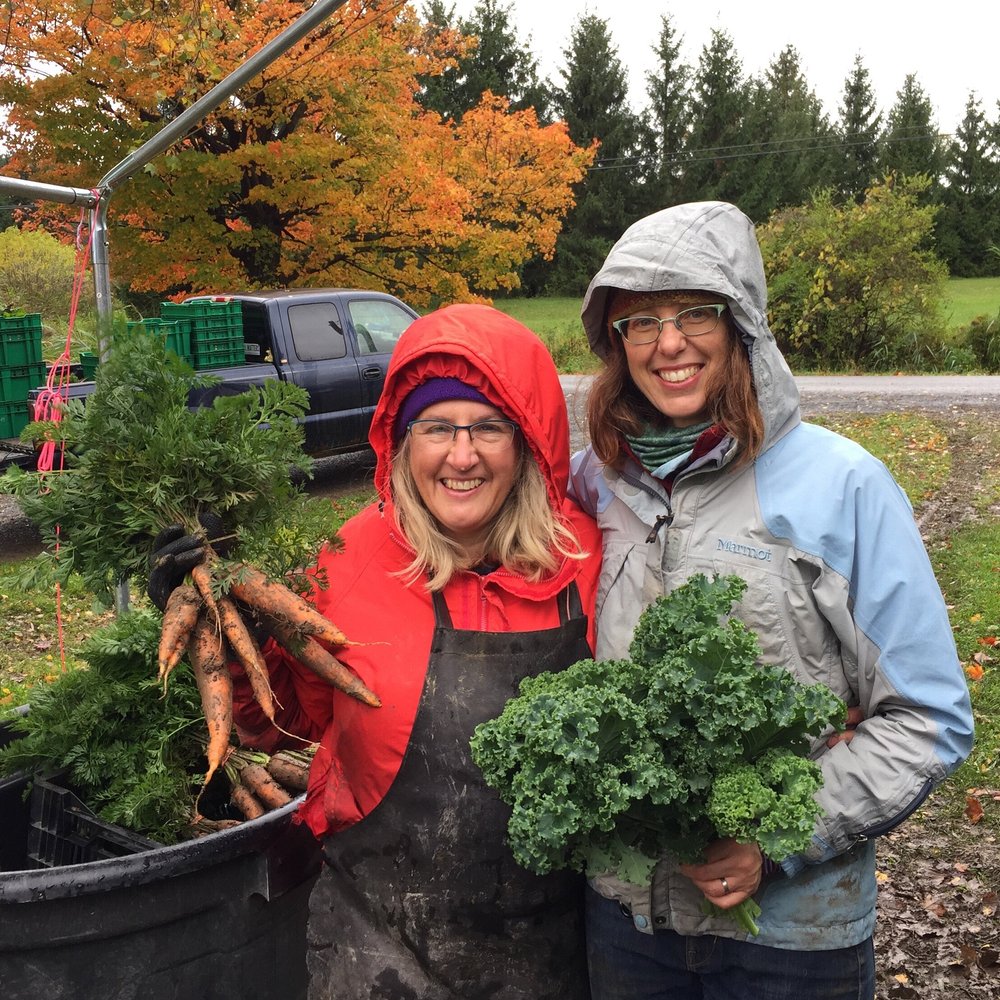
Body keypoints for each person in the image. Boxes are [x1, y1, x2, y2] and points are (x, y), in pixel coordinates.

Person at [568, 201, 975, 1000]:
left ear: (744, 324)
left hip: (793, 937)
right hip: (628, 922)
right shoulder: (598, 483)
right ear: (615, 342)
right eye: (640, 320)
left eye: (696, 311)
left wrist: (776, 836)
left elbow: (928, 718)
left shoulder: (839, 485)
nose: (669, 342)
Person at [151, 304, 601, 999]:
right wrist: (232, 635)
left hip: (553, 954)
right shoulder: (345, 562)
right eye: (437, 428)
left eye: (487, 427)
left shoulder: (589, 558)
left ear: (529, 443)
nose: (462, 454)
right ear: (401, 440)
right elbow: (283, 730)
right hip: (376, 949)